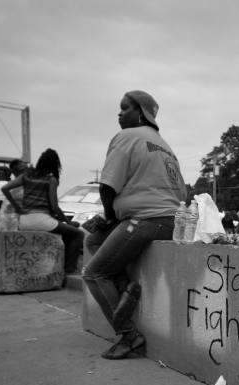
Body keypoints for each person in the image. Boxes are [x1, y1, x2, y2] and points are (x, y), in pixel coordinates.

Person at [82, 90, 187, 360]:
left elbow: (107, 186)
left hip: (144, 220)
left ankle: (129, 336)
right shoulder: (165, 146)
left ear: (141, 112)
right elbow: (182, 194)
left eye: (125, 108)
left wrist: (109, 216)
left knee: (94, 274)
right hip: (170, 221)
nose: (120, 113)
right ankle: (124, 286)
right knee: (93, 240)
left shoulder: (126, 137)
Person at [1, 149, 85, 275]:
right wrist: (68, 222)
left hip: (23, 221)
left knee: (67, 232)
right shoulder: (51, 180)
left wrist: (16, 207)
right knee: (78, 234)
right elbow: (55, 207)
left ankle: (62, 265)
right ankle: (68, 269)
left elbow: (5, 188)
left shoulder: (27, 175)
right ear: (55, 164)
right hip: (41, 220)